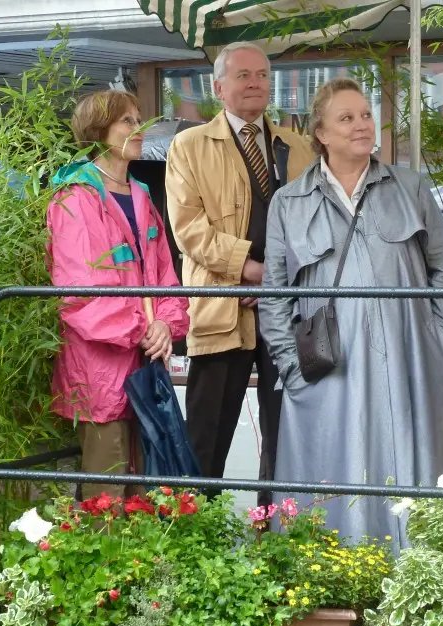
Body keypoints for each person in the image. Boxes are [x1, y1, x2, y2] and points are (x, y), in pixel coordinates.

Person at [259, 78, 443, 552]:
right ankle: (332, 577)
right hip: (328, 372)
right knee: (333, 482)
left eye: (366, 115)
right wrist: (292, 368)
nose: (361, 125)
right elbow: (274, 296)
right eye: (347, 118)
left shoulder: (411, 188)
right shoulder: (288, 202)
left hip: (412, 363)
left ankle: (416, 575)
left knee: (414, 480)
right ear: (321, 134)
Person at [165, 42, 314, 506]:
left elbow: (315, 227)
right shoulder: (189, 145)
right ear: (218, 87)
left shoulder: (298, 147)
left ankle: (280, 532)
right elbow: (189, 230)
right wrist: (249, 271)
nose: (255, 83)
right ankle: (194, 536)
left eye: (263, 75)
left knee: (286, 436)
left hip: (286, 311)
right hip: (221, 306)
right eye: (243, 75)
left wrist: (275, 282)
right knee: (206, 436)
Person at [48, 89, 190, 499]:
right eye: (127, 121)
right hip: (100, 371)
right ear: (99, 131)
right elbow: (78, 294)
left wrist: (166, 324)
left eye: (139, 119)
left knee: (149, 492)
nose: (139, 128)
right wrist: (145, 329)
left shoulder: (141, 194)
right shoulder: (75, 197)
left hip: (146, 364)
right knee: (106, 497)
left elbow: (167, 278)